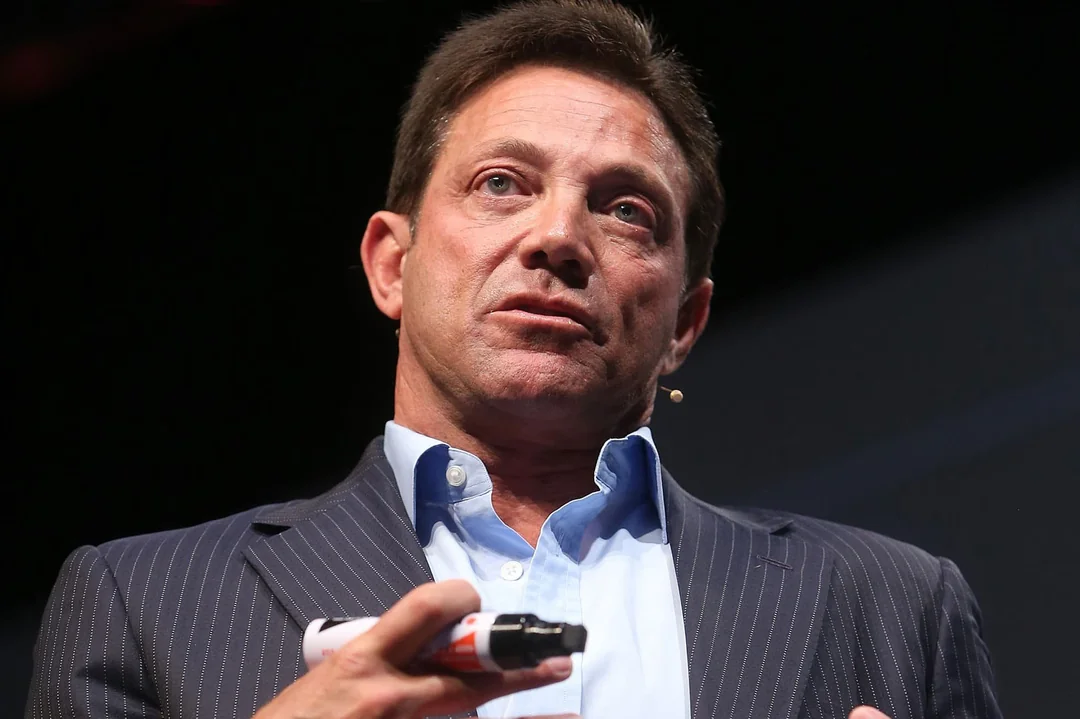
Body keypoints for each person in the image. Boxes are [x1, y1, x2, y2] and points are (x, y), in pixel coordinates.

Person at [25, 1, 1002, 718]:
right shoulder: (143, 603)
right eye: (503, 182)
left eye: (626, 207)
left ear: (685, 321)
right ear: (391, 263)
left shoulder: (893, 605)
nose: (557, 237)